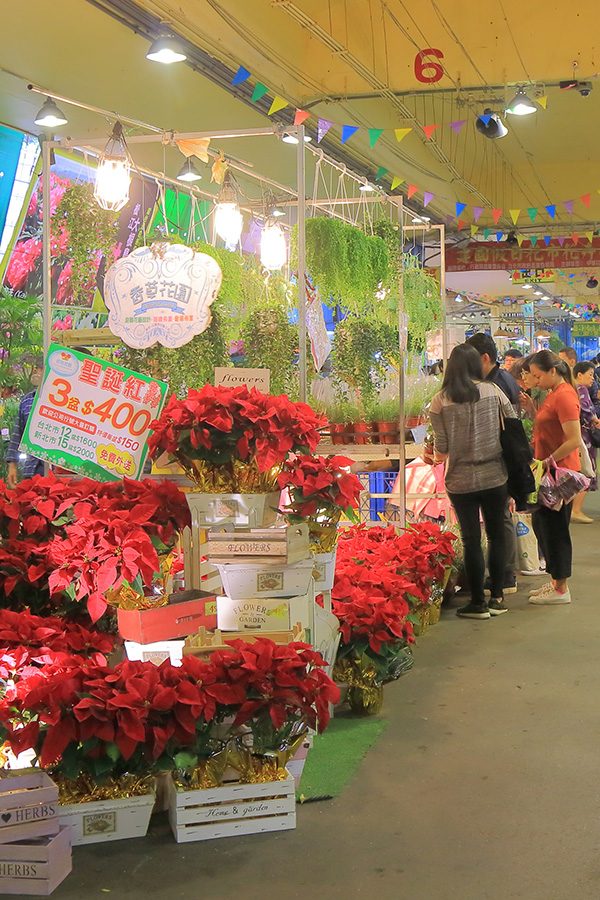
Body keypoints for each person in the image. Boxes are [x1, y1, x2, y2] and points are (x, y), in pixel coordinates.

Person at [430, 342, 516, 619]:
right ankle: (498, 597)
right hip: (495, 476)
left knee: (471, 539)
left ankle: (477, 602)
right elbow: (512, 426)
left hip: (459, 480)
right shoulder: (493, 391)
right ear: (476, 365)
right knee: (497, 535)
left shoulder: (440, 400)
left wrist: (433, 453)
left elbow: (441, 449)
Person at [467, 332, 519, 595]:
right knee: (500, 520)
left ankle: (505, 576)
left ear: (485, 358)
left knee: (500, 521)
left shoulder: (496, 384)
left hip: (499, 460)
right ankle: (504, 574)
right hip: (502, 458)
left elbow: (507, 426)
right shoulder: (500, 379)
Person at [528, 350, 582, 605]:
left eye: (538, 376)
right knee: (544, 526)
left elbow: (574, 439)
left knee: (555, 528)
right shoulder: (554, 395)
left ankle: (562, 588)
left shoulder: (565, 396)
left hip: (559, 475)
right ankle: (555, 582)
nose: (535, 381)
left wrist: (549, 460)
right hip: (547, 471)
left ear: (553, 371)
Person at [6, 357, 44, 487]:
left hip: (60, 472)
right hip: (32, 469)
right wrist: (12, 464)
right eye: (38, 370)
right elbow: (18, 433)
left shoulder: (73, 402)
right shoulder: (28, 400)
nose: (38, 373)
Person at [572, 361, 599, 523]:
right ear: (579, 375)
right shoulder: (581, 390)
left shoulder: (574, 389)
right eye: (590, 375)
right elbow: (589, 413)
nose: (592, 379)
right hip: (584, 437)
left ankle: (574, 509)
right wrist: (596, 420)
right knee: (587, 471)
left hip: (579, 435)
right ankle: (576, 510)